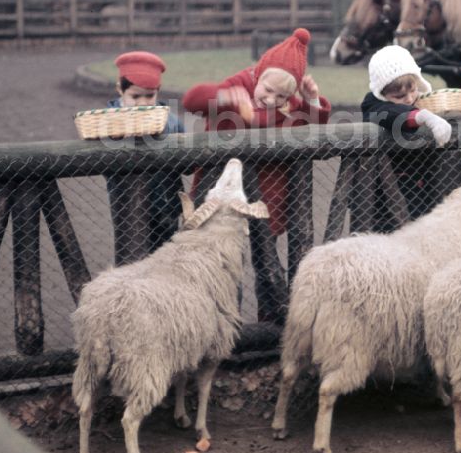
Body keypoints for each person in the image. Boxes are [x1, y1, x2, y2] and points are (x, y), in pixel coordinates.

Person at [182, 29, 330, 322]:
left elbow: (316, 124)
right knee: (224, 262)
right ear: (257, 74)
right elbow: (192, 99)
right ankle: (223, 325)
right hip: (222, 192)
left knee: (266, 262)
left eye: (282, 95)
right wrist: (227, 98)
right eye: (267, 89)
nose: (272, 99)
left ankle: (269, 326)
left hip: (266, 198)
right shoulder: (239, 85)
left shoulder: (291, 104)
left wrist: (312, 99)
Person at [106, 51, 185, 260]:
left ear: (158, 92)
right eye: (135, 96)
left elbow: (186, 162)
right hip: (127, 206)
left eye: (149, 96)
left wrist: (161, 133)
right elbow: (104, 165)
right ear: (120, 91)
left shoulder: (172, 121)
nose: (143, 102)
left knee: (165, 259)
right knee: (130, 260)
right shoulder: (107, 122)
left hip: (166, 203)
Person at [360, 44, 452, 220]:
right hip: (382, 198)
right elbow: (389, 114)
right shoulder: (372, 105)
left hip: (423, 188)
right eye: (399, 97)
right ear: (382, 94)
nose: (409, 99)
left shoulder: (424, 101)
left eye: (413, 90)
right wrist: (422, 116)